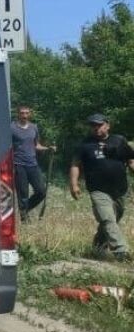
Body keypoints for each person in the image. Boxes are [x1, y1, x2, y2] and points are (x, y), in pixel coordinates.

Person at [70, 114, 134, 262]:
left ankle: (98, 246)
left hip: (120, 190)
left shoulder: (119, 140)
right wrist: (74, 184)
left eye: (99, 124)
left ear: (107, 125)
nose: (96, 128)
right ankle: (121, 251)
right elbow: (75, 164)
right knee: (107, 219)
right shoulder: (85, 144)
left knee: (112, 221)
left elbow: (130, 161)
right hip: (98, 189)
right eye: (93, 125)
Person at [11, 105, 56, 221]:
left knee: (41, 191)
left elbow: (36, 145)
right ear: (18, 114)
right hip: (18, 164)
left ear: (30, 114)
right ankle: (25, 218)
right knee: (23, 194)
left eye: (27, 113)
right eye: (22, 113)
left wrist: (48, 149)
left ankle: (24, 210)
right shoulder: (12, 128)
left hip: (33, 164)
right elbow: (7, 147)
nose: (24, 115)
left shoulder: (34, 128)